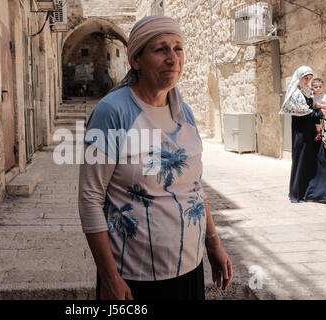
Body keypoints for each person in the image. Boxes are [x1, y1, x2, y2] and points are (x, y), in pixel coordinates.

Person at [78, 15, 232, 300]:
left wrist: (213, 244)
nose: (173, 58)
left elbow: (194, 186)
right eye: (161, 49)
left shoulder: (184, 113)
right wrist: (110, 277)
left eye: (178, 48)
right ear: (136, 60)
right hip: (134, 276)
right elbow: (90, 199)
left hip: (189, 266)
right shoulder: (112, 112)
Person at [279, 66, 326, 204]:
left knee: (322, 159)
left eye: (309, 78)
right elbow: (304, 113)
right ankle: (299, 194)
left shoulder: (307, 92)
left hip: (313, 133)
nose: (307, 81)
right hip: (302, 135)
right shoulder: (294, 94)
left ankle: (325, 193)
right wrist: (319, 113)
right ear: (299, 77)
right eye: (305, 78)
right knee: (302, 163)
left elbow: (313, 108)